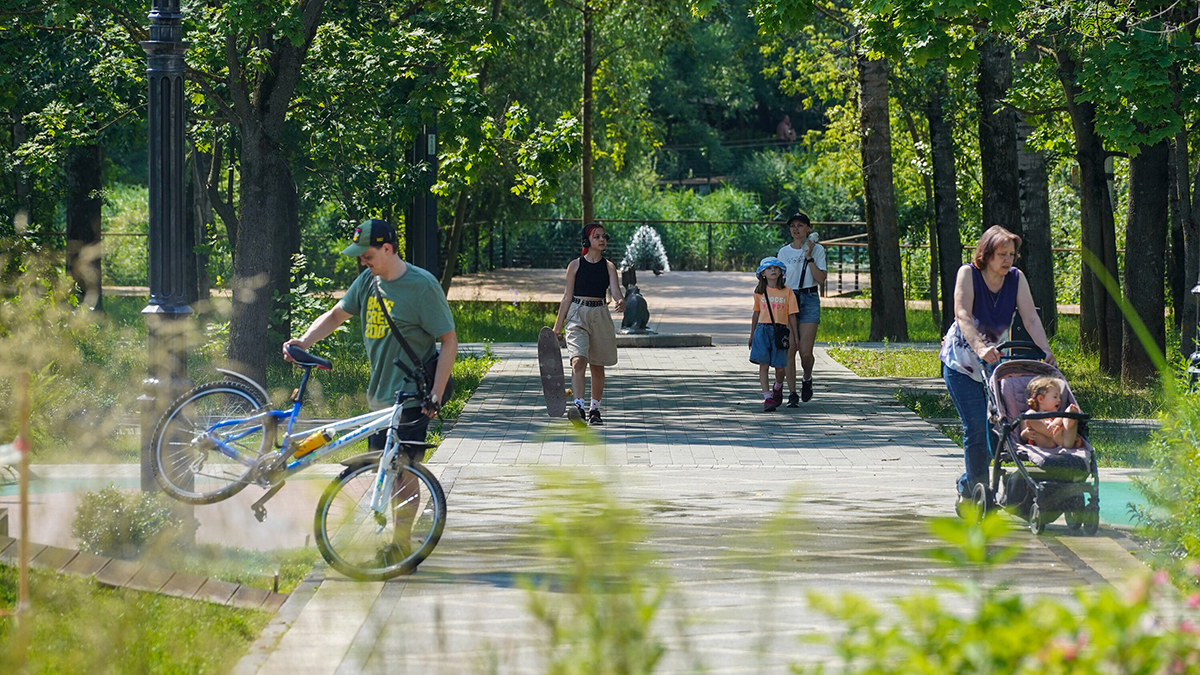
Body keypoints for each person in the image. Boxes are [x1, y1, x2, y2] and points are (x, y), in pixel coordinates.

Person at [283, 217, 457, 450]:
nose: (363, 262)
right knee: (378, 472)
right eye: (361, 257)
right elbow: (336, 315)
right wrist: (304, 342)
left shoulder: (423, 286)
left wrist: (436, 393)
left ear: (387, 249)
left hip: (411, 399)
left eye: (367, 256)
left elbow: (449, 340)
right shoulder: (367, 281)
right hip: (378, 399)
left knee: (403, 473)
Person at [940, 225, 1055, 510]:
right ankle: (978, 492)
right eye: (1002, 254)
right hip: (962, 363)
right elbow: (962, 313)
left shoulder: (1016, 279)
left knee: (998, 430)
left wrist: (1046, 350)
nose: (1008, 260)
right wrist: (979, 347)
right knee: (976, 427)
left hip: (994, 366)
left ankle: (971, 483)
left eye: (1012, 255)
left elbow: (1030, 319)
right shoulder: (968, 274)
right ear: (987, 253)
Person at [552, 222, 625, 425]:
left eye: (604, 237)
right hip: (577, 313)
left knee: (597, 365)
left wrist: (621, 301)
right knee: (578, 360)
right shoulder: (575, 265)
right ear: (587, 241)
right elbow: (567, 297)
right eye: (597, 237)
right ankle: (578, 406)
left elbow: (615, 292)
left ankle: (595, 410)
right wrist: (557, 327)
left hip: (600, 314)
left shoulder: (609, 266)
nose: (602, 240)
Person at [776, 212, 827, 406]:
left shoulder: (817, 250)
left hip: (809, 297)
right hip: (789, 298)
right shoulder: (783, 252)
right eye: (793, 226)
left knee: (805, 352)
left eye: (800, 225)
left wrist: (809, 257)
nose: (796, 229)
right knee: (789, 349)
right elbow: (779, 278)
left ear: (808, 229)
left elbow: (821, 279)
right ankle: (792, 393)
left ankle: (807, 377)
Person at [749, 257, 799, 413]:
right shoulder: (759, 293)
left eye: (776, 268)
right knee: (763, 365)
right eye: (769, 268)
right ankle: (767, 397)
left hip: (781, 331)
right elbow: (756, 313)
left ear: (781, 272)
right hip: (763, 330)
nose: (773, 270)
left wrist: (795, 336)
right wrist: (752, 334)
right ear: (763, 273)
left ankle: (777, 386)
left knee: (780, 367)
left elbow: (792, 315)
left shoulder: (787, 291)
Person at [1020, 376, 1082, 449]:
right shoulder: (1033, 415)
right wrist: (1025, 434)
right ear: (1040, 399)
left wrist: (1055, 423)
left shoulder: (1058, 414)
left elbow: (1060, 418)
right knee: (1029, 415)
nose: (1059, 400)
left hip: (1064, 439)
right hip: (1046, 443)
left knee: (1069, 412)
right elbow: (1022, 436)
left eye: (1060, 397)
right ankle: (1055, 436)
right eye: (1055, 397)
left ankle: (1063, 440)